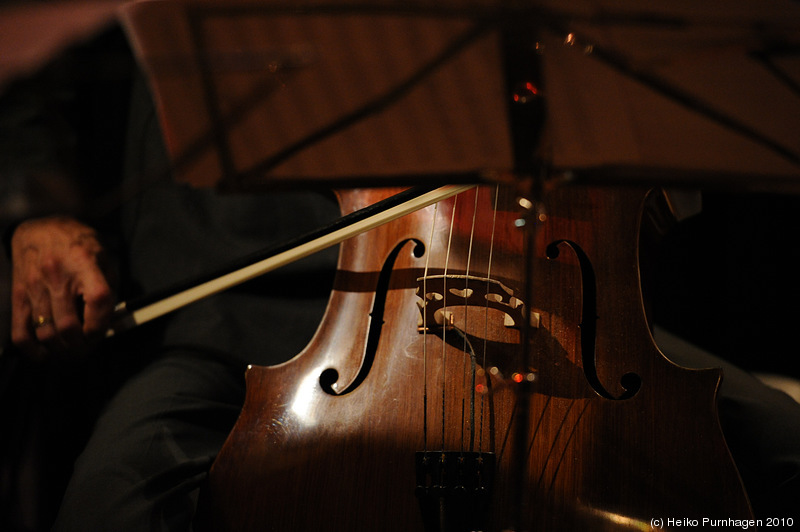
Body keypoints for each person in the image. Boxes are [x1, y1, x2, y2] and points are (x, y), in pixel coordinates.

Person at [3, 23, 800, 532]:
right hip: (240, 307)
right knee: (112, 501)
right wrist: (34, 210)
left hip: (548, 304)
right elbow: (40, 60)